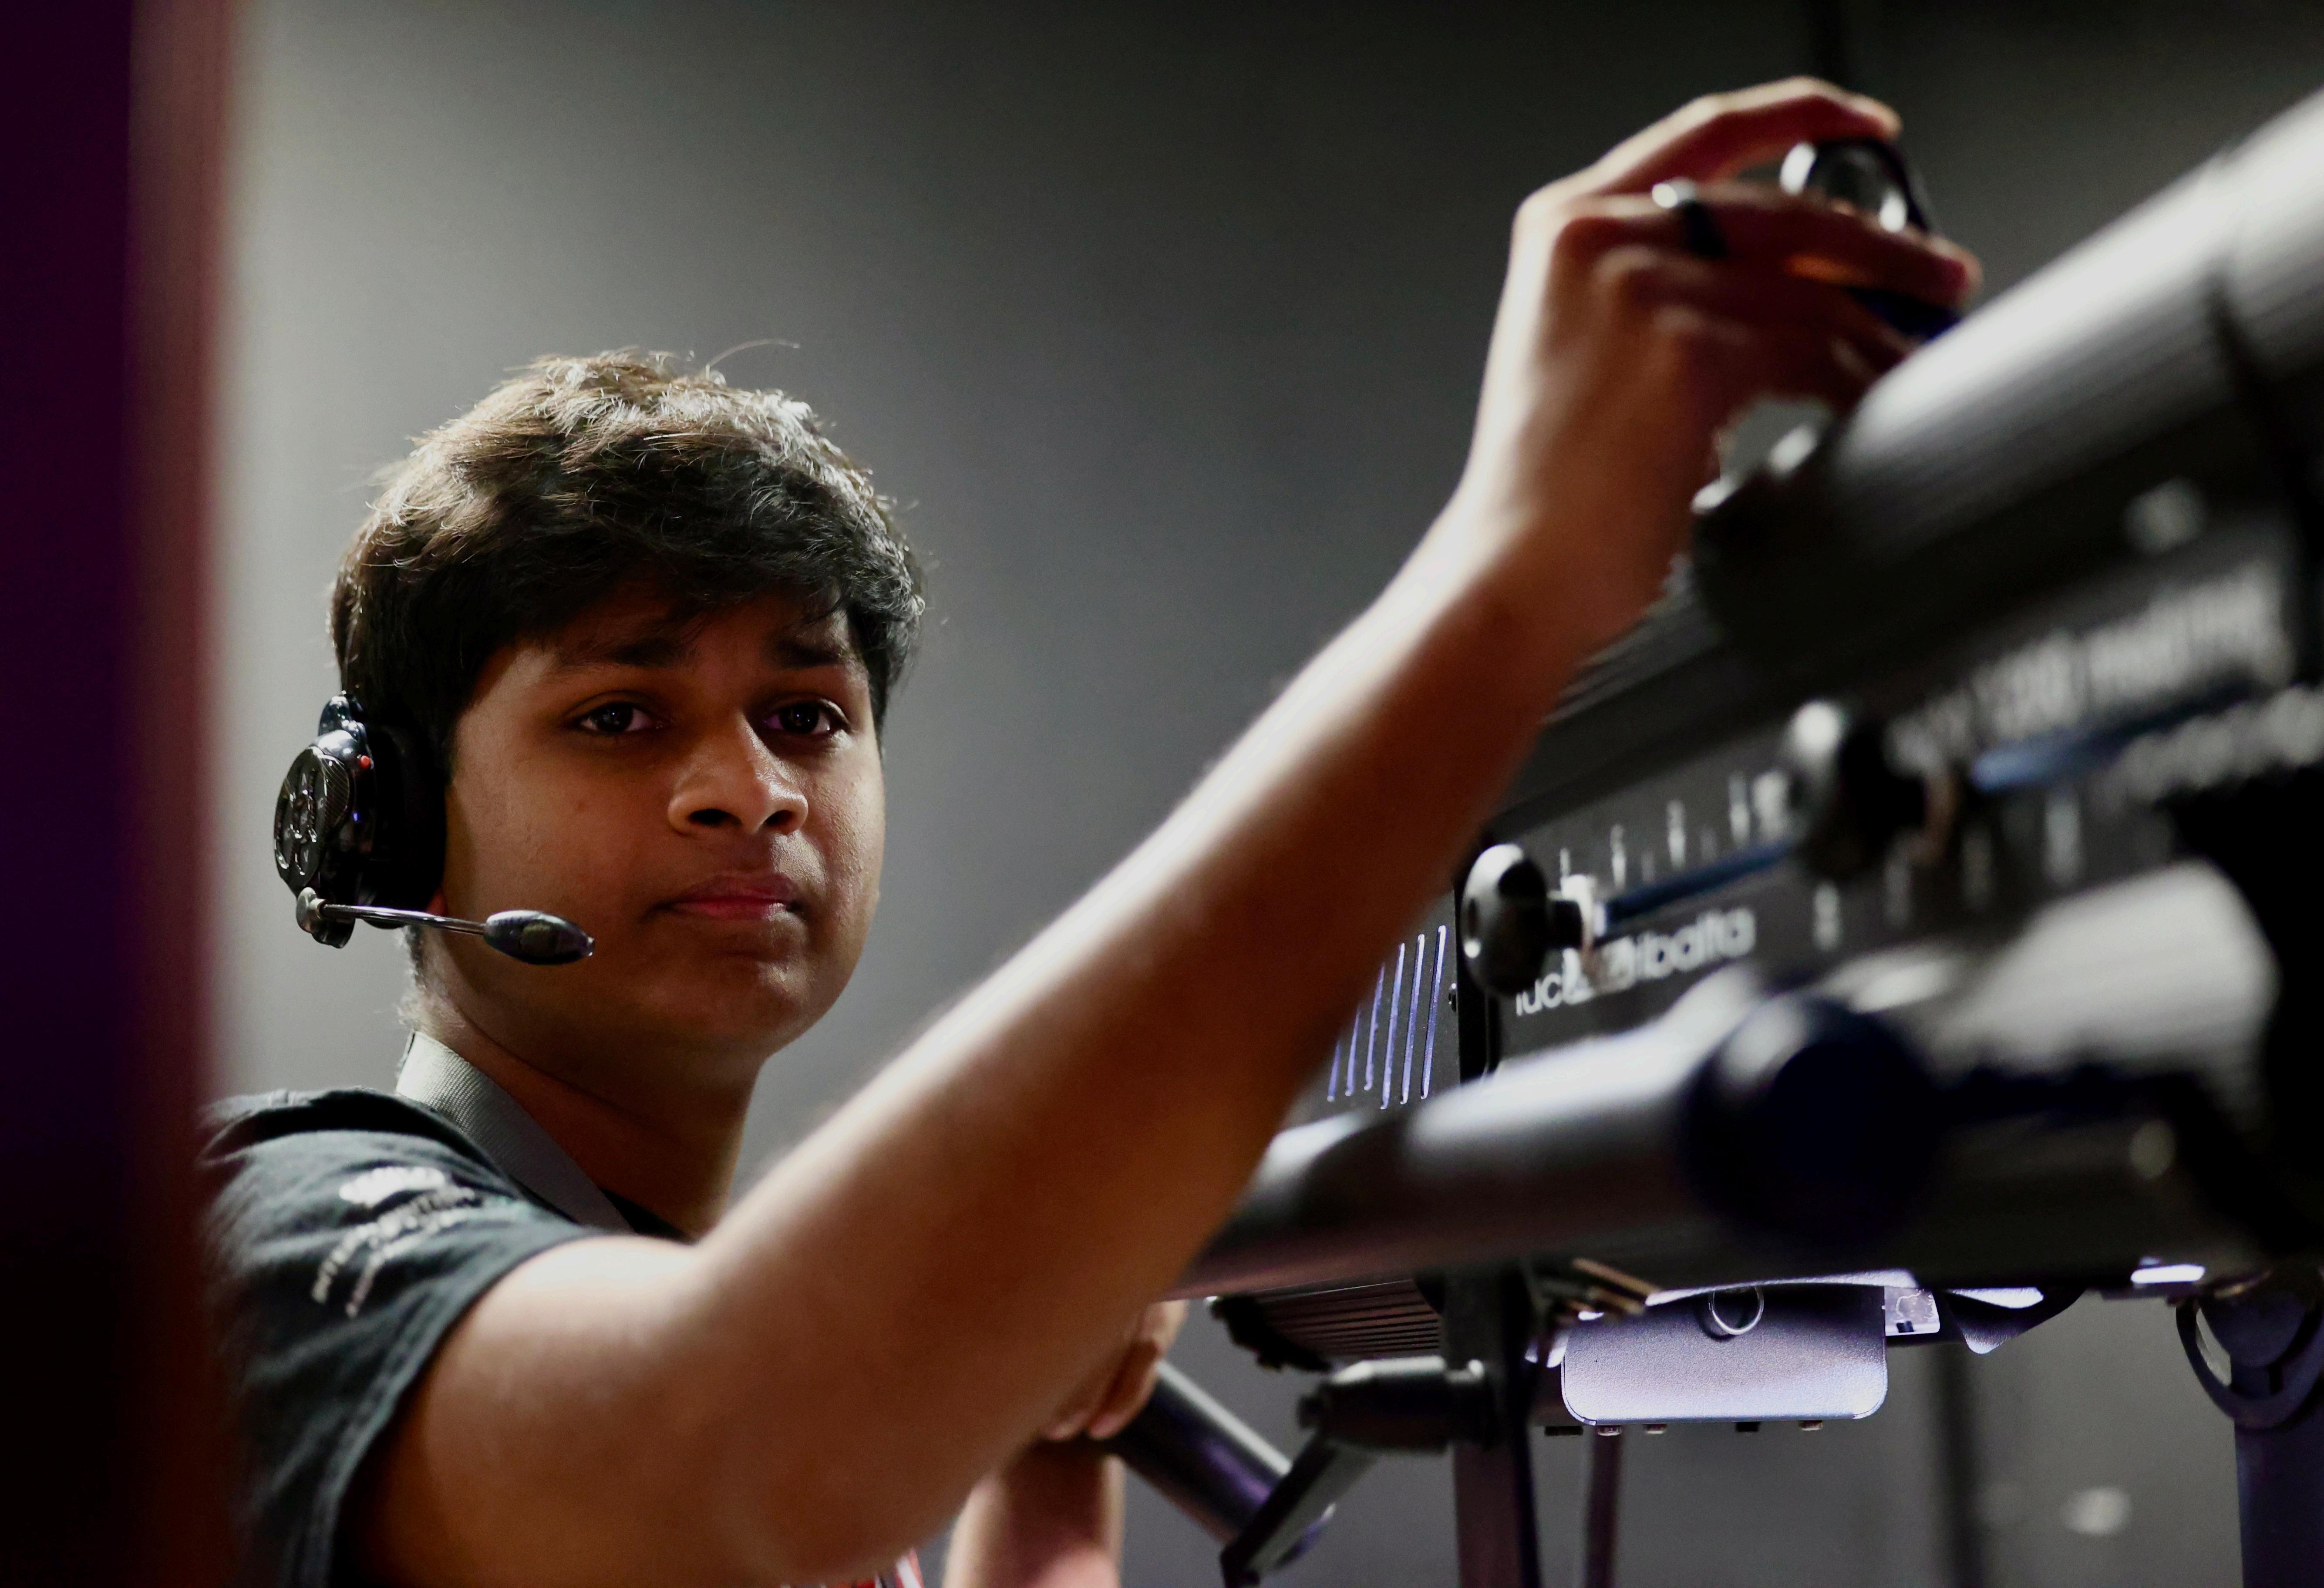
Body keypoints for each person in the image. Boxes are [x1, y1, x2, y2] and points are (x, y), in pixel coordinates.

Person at [201, 78, 1974, 1588]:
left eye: (807, 714)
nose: (748, 787)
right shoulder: (274, 1242)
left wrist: (1034, 1443)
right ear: (401, 826)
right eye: (619, 717)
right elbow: (726, 1454)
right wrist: (1507, 587)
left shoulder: (719, 1333)